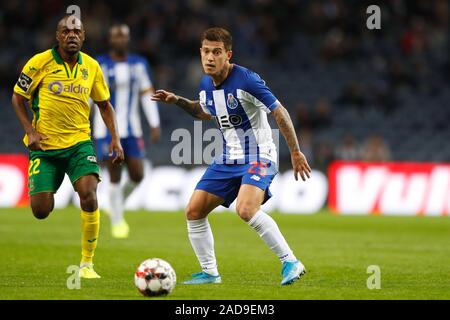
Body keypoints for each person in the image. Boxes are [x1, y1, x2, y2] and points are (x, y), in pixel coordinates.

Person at [152, 27, 311, 286]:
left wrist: (294, 151)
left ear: (228, 55)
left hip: (259, 154)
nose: (210, 58)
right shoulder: (206, 83)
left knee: (246, 209)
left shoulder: (247, 80)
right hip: (228, 157)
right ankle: (210, 273)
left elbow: (279, 112)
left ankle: (290, 261)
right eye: (206, 52)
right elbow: (204, 111)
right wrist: (178, 100)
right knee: (193, 211)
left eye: (216, 52)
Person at [11, 15, 124, 279]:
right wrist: (30, 130)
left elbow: (105, 105)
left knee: (89, 193)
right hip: (45, 148)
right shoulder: (39, 63)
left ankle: (87, 264)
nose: (72, 34)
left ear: (83, 36)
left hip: (78, 144)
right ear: (57, 36)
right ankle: (52, 182)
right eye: (66, 31)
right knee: (41, 210)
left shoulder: (92, 67)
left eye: (77, 31)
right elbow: (18, 98)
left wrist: (115, 139)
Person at [93, 24, 161, 239]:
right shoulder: (99, 64)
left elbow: (145, 93)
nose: (120, 40)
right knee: (114, 173)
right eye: (116, 36)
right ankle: (117, 221)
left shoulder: (138, 64)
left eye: (123, 36)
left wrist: (154, 121)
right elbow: (88, 96)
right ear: (110, 40)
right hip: (106, 129)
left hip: (132, 129)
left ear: (128, 39)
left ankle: (116, 204)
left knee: (137, 175)